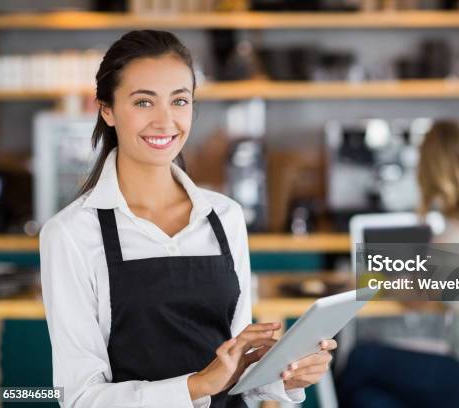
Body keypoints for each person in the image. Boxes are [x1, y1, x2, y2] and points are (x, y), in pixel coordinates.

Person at [40, 30, 336, 408]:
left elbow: (240, 373)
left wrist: (285, 376)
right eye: (144, 102)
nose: (165, 121)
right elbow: (79, 398)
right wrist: (196, 385)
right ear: (107, 109)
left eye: (179, 101)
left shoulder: (224, 216)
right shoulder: (70, 234)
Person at [338, 119, 459, 408]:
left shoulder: (458, 233)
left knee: (361, 359)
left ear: (429, 171)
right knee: (368, 400)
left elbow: (414, 297)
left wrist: (363, 281)